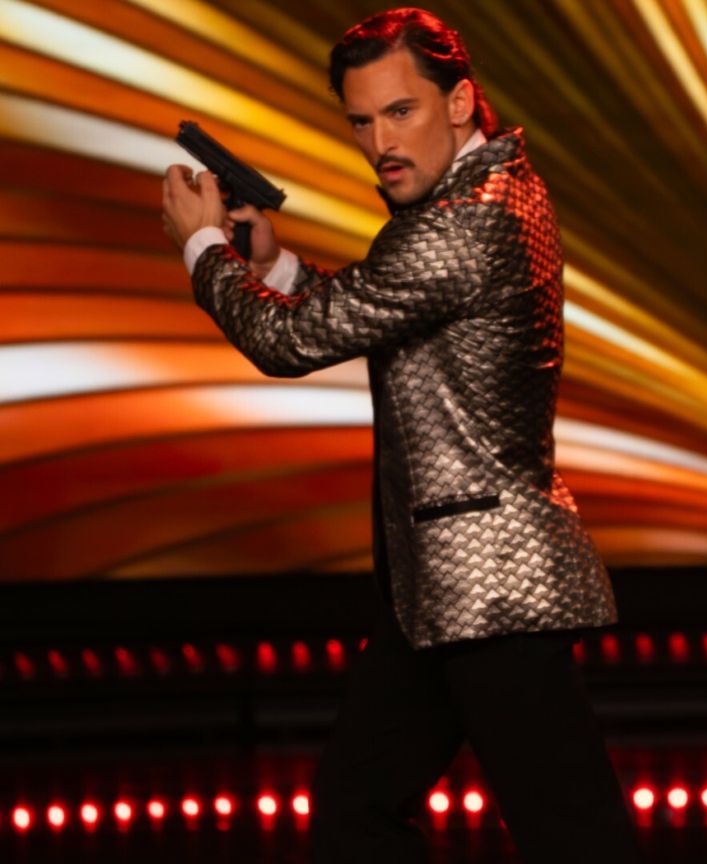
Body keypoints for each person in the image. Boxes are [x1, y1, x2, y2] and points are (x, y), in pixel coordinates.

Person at [159, 8, 640, 862]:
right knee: (359, 810)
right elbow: (379, 309)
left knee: (569, 837)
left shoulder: (464, 222)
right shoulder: (486, 191)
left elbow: (289, 342)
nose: (380, 141)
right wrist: (272, 268)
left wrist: (204, 247)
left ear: (459, 102)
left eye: (400, 111)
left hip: (492, 589)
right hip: (444, 592)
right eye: (361, 120)